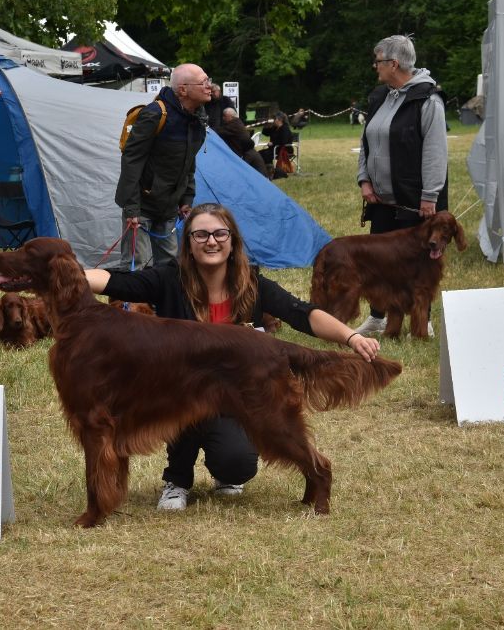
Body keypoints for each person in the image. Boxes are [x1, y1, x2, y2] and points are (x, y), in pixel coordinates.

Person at [84, 202, 382, 511]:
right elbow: (116, 281)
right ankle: (177, 480)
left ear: (232, 240)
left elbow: (301, 314)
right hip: (179, 395)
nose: (210, 241)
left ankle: (238, 472)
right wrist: (70, 275)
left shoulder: (251, 284)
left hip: (237, 393)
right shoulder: (170, 279)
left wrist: (351, 336)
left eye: (219, 233)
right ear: (188, 243)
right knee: (181, 395)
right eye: (200, 235)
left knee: (237, 463)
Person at [354, 34, 448, 337]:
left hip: (415, 199)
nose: (375, 66)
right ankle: (378, 317)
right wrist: (364, 179)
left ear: (393, 64)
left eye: (378, 61)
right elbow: (366, 140)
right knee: (381, 261)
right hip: (381, 199)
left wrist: (429, 196)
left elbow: (436, 152)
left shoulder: (427, 99)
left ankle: (424, 319)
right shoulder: (380, 96)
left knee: (418, 263)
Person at [115, 64, 210, 269]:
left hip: (169, 208)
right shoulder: (154, 114)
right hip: (141, 207)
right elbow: (131, 161)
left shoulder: (197, 119)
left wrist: (186, 198)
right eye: (203, 82)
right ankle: (127, 302)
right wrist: (131, 208)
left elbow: (188, 161)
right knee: (135, 267)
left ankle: (163, 302)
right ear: (183, 89)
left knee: (170, 268)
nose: (209, 86)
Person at [215, 107, 266, 175]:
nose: (223, 118)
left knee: (239, 171)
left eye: (224, 116)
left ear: (231, 117)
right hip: (248, 152)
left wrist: (208, 129)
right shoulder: (237, 123)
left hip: (247, 154)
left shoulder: (233, 125)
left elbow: (220, 131)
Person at [258, 111, 294, 178]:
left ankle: (271, 171)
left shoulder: (285, 128)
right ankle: (264, 170)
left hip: (283, 149)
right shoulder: (274, 128)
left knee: (266, 154)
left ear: (279, 120)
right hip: (274, 149)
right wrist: (267, 124)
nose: (273, 120)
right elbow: (265, 133)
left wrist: (273, 143)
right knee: (259, 153)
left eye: (274, 119)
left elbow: (284, 141)